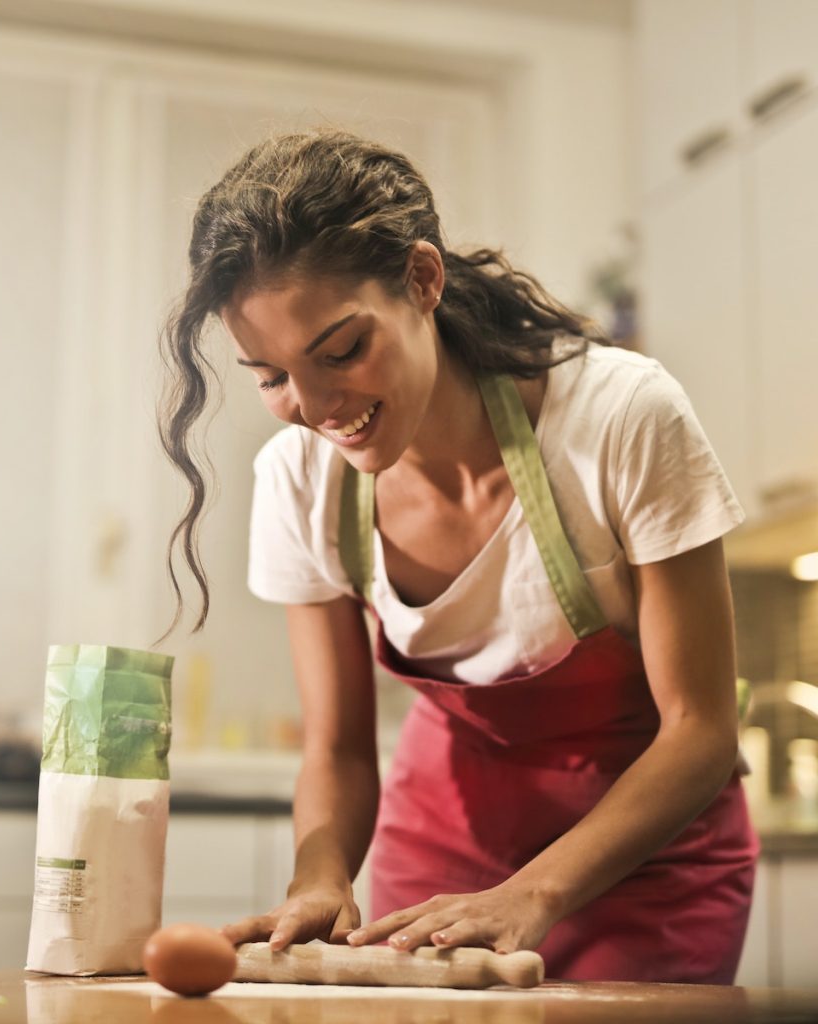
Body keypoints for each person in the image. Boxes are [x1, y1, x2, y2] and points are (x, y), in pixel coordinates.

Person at [158, 129, 759, 984]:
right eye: (271, 376)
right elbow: (337, 748)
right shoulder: (299, 481)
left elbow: (701, 731)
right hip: (438, 861)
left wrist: (533, 894)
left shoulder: (620, 419)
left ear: (423, 280)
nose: (317, 405)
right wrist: (320, 877)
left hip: (647, 869)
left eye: (340, 352)